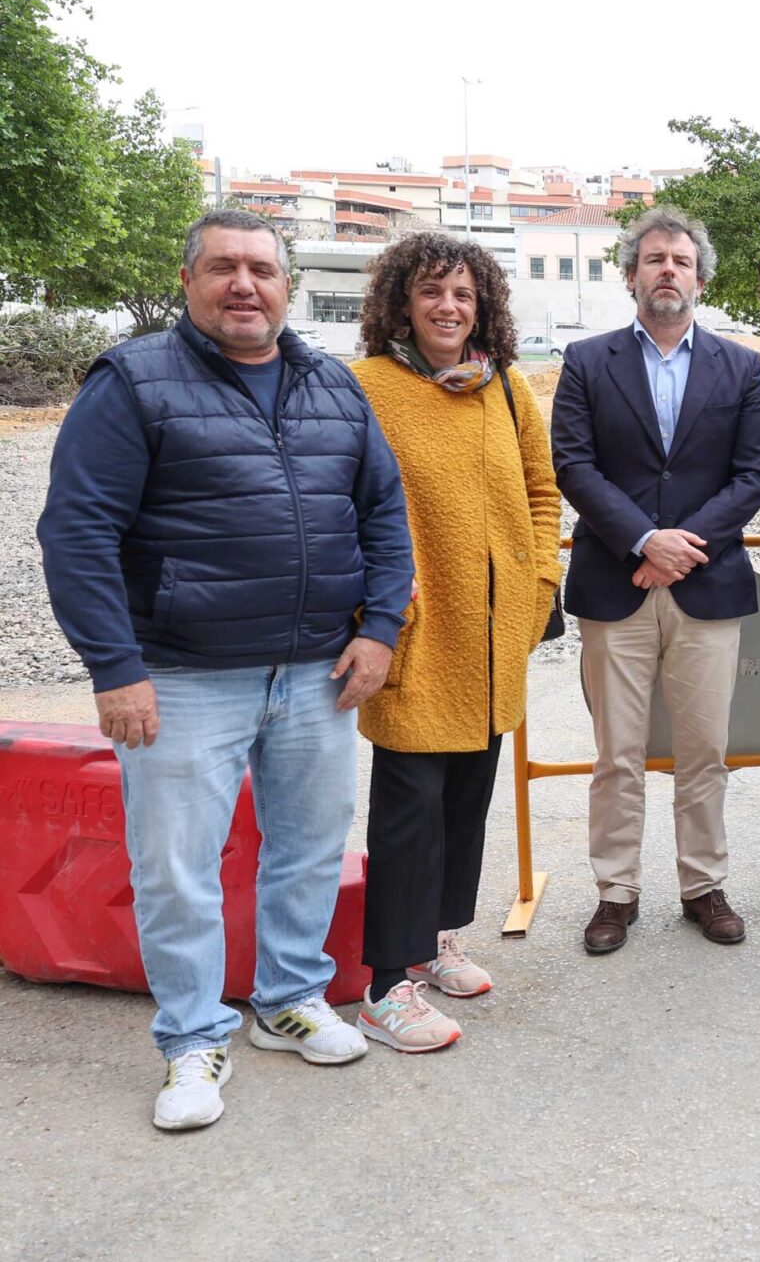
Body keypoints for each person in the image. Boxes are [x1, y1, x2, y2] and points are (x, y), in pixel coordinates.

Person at [37, 210, 412, 1130]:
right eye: (223, 268)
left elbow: (384, 515)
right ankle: (192, 1038)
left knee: (309, 845)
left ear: (286, 285)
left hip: (318, 671)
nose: (244, 284)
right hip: (181, 675)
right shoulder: (131, 382)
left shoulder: (331, 384)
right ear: (189, 279)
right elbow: (77, 532)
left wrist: (383, 626)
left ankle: (288, 999)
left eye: (261, 269)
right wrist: (115, 666)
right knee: (176, 866)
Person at [348, 233, 561, 1049]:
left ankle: (435, 939)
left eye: (464, 294)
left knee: (470, 789)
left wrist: (539, 575)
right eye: (432, 292)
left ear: (484, 307)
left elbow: (542, 490)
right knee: (408, 803)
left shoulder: (503, 388)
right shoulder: (365, 385)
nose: (448, 307)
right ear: (401, 301)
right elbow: (341, 498)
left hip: (496, 628)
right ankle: (384, 985)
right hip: (416, 628)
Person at [551, 207, 760, 954]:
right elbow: (574, 465)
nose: (667, 270)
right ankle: (615, 892)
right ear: (630, 276)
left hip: (706, 587)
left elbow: (750, 476)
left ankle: (703, 885)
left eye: (680, 259)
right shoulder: (587, 361)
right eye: (654, 259)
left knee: (705, 748)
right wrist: (643, 540)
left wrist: (679, 548)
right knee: (616, 754)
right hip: (617, 585)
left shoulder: (742, 367)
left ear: (700, 278)